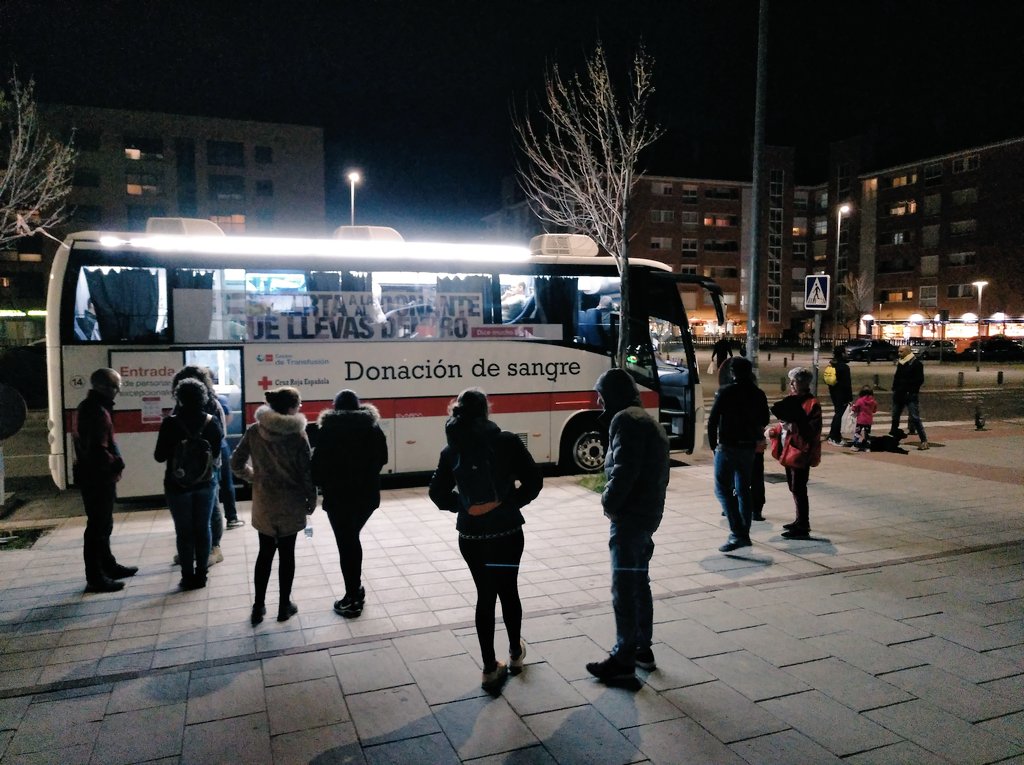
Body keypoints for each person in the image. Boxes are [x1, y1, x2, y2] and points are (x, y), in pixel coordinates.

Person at [429, 388, 542, 692]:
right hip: (506, 530)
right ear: (486, 411)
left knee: (485, 595)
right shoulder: (506, 441)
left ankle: (489, 668)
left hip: (471, 534)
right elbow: (534, 481)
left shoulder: (450, 450)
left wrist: (464, 506)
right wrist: (509, 504)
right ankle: (516, 655)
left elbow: (437, 495)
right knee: (509, 591)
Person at [585, 369, 669, 683]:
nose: (599, 401)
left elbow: (624, 470)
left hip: (631, 517)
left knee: (623, 587)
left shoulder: (625, 420)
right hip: (647, 516)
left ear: (614, 394)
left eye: (602, 395)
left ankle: (623, 658)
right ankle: (642, 649)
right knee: (639, 582)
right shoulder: (648, 420)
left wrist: (608, 502)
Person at [231, 386, 316, 625]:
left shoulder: (254, 432)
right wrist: (311, 499)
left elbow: (235, 463)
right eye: (298, 405)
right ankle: (283, 606)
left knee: (264, 553)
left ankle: (258, 606)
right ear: (291, 408)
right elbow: (306, 473)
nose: (300, 408)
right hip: (290, 502)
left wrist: (254, 477)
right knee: (287, 555)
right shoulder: (298, 436)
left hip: (264, 502)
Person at [312, 389, 389, 618]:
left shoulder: (328, 430)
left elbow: (317, 465)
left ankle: (353, 598)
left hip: (338, 498)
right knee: (350, 539)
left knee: (347, 544)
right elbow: (382, 458)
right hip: (366, 497)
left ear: (335, 407)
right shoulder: (372, 428)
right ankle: (355, 591)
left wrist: (323, 483)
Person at [154, 378, 223, 590]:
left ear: (179, 398)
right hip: (204, 483)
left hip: (177, 485)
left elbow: (159, 456)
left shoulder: (170, 423)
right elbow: (217, 454)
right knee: (203, 528)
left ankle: (186, 576)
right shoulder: (212, 422)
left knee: (184, 531)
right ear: (204, 397)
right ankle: (201, 575)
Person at [73, 368, 137, 593]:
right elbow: (98, 450)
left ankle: (108, 565)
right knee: (98, 528)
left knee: (103, 525)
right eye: (115, 386)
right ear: (102, 387)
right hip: (98, 477)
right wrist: (117, 462)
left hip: (95, 476)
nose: (117, 391)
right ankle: (96, 577)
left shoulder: (89, 407)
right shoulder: (97, 412)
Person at [707, 357, 770, 552]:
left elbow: (713, 420)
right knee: (744, 489)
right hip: (748, 448)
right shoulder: (758, 393)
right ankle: (745, 532)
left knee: (722, 489)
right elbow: (765, 419)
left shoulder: (726, 392)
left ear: (732, 372)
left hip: (728, 446)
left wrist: (713, 446)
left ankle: (738, 532)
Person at [170, 365, 229, 565]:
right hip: (190, 468)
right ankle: (196, 550)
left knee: (211, 508)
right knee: (197, 511)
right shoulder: (180, 408)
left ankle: (214, 547)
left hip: (206, 468)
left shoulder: (212, 406)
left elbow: (220, 439)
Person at [770, 367, 822, 540]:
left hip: (801, 451)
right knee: (793, 486)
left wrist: (795, 425)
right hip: (788, 448)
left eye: (795, 381)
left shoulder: (812, 404)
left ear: (804, 383)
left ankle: (803, 524)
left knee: (799, 487)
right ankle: (799, 519)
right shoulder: (792, 399)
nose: (791, 384)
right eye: (791, 380)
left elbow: (813, 431)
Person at [890, 344, 929, 450]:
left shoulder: (916, 364)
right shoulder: (901, 363)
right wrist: (894, 388)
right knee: (895, 416)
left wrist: (910, 389)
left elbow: (919, 380)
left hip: (910, 394)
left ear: (907, 352)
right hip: (899, 394)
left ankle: (924, 440)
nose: (899, 354)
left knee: (915, 417)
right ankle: (893, 438)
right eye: (898, 351)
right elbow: (897, 376)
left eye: (901, 352)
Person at [217, 393, 244, 529]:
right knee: (226, 483)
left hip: (194, 454)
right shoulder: (218, 400)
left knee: (207, 488)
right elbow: (227, 420)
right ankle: (231, 518)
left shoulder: (181, 403)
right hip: (219, 447)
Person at [825, 346, 853, 446]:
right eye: (845, 352)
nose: (847, 353)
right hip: (842, 394)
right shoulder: (844, 367)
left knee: (837, 414)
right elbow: (847, 384)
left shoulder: (832, 365)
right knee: (839, 415)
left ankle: (833, 434)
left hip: (834, 392)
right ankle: (834, 437)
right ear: (842, 354)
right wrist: (850, 398)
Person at [851, 385, 878, 451]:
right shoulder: (873, 402)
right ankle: (867, 447)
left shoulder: (860, 401)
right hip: (868, 421)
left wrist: (853, 408)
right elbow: (874, 411)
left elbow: (855, 408)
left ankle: (855, 446)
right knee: (867, 434)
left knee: (857, 433)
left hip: (860, 420)